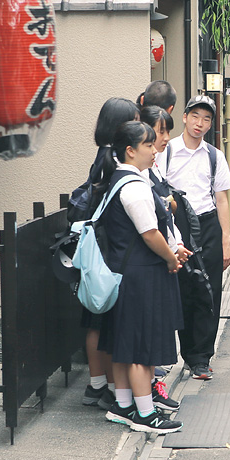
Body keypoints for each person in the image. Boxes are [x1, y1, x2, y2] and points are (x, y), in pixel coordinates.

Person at [97, 120, 190, 434]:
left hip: (126, 273)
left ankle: (123, 405)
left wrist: (173, 249)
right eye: (148, 145)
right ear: (130, 150)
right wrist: (170, 257)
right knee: (141, 348)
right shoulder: (135, 186)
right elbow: (150, 233)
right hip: (142, 274)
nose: (154, 150)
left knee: (125, 345)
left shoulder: (119, 180)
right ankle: (145, 414)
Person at [164, 95, 230, 380]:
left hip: (207, 226)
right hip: (176, 226)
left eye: (206, 119)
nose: (200, 124)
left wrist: (226, 240)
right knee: (182, 291)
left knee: (209, 292)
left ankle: (201, 358)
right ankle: (186, 352)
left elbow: (222, 199)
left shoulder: (214, 155)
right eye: (195, 117)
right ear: (184, 117)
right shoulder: (167, 151)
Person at [80, 97, 139, 411]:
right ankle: (106, 387)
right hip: (108, 249)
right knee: (104, 322)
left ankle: (98, 384)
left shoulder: (100, 156)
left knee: (96, 321)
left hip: (98, 248)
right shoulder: (112, 159)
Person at [138, 105, 184, 413]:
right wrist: (170, 254)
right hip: (150, 263)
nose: (164, 138)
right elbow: (149, 228)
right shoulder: (136, 176)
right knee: (145, 337)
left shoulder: (152, 166)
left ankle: (152, 388)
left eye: (167, 131)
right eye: (160, 131)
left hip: (164, 255)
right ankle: (144, 400)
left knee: (155, 330)